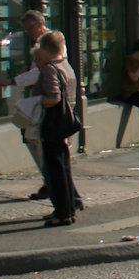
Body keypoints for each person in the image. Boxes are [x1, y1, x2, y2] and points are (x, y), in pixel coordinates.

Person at [35, 30, 80, 227]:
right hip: (66, 122)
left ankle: (62, 213)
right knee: (64, 168)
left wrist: (36, 102)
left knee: (55, 170)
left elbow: (53, 97)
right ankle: (68, 209)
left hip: (53, 122)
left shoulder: (50, 69)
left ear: (46, 49)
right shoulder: (66, 66)